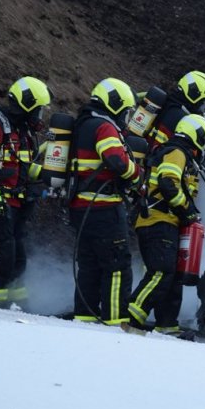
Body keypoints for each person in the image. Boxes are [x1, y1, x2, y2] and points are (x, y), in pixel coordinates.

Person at [128, 114, 205, 333]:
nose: (203, 148)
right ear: (195, 136)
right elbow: (168, 184)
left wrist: (187, 215)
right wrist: (187, 211)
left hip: (168, 221)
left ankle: (167, 326)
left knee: (173, 277)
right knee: (161, 272)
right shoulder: (176, 152)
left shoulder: (183, 154)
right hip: (157, 220)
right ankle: (130, 317)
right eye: (203, 142)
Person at [68, 78, 143, 325]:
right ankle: (115, 322)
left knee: (89, 266)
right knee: (117, 266)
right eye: (125, 110)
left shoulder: (82, 124)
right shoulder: (104, 126)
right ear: (115, 104)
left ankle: (84, 317)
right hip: (104, 208)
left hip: (81, 208)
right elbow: (116, 161)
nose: (126, 115)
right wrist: (137, 174)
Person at [0, 76, 52, 307]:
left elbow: (23, 168)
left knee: (18, 254)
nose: (40, 116)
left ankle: (17, 303)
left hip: (17, 201)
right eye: (38, 110)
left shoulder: (22, 132)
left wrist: (50, 174)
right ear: (27, 105)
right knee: (3, 250)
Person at [146, 70, 205, 152]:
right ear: (194, 95)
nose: (203, 107)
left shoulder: (165, 102)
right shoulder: (184, 119)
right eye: (203, 102)